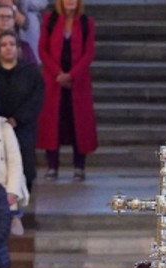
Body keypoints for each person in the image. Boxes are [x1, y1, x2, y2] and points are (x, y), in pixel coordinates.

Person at [37, 0, 97, 180]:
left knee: (78, 125)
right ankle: (52, 166)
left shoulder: (87, 23)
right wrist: (58, 73)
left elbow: (89, 54)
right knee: (52, 124)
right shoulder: (50, 20)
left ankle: (79, 167)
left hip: (78, 83)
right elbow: (42, 50)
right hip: (54, 81)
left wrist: (71, 75)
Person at [0, 32, 44, 193]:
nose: (8, 48)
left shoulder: (30, 71)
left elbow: (36, 98)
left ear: (18, 48)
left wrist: (17, 119)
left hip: (23, 126)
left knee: (24, 163)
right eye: (4, 45)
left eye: (12, 44)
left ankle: (22, 201)